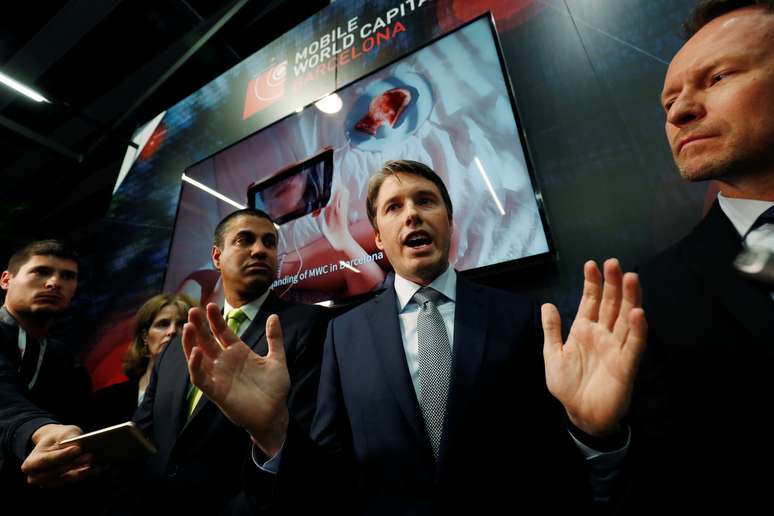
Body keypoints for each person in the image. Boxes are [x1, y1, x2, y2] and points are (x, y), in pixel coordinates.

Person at [183, 160, 647, 514]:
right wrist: (272, 433)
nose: (412, 216)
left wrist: (594, 434)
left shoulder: (521, 317)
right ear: (379, 239)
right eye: (394, 207)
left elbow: (559, 464)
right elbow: (329, 472)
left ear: (448, 221)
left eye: (426, 202)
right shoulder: (343, 338)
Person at [625, 1, 774, 512]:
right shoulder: (646, 301)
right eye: (668, 103)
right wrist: (597, 439)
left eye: (717, 77)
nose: (680, 112)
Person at [120, 208, 329, 514]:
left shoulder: (311, 326)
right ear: (216, 257)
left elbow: (307, 436)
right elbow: (142, 432)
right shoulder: (179, 346)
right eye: (245, 240)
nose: (260, 249)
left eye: (269, 243)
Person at [0, 240, 93, 504]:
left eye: (67, 276)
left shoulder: (64, 359)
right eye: (41, 272)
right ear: (6, 280)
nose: (54, 283)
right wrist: (42, 430)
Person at [90, 294, 193, 429]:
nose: (172, 331)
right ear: (145, 336)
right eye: (163, 324)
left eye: (181, 324)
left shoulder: (196, 394)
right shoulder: (107, 400)